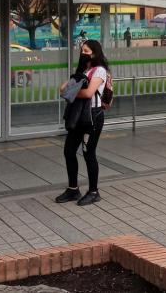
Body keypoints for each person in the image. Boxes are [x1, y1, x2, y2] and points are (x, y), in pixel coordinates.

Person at [56, 39, 109, 206]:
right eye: (81, 50)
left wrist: (71, 92)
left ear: (94, 53)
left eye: (86, 51)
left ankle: (94, 192)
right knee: (69, 151)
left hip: (92, 117)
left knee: (88, 153)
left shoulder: (99, 71)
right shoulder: (84, 70)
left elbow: (88, 93)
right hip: (78, 116)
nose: (82, 53)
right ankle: (73, 189)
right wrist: (76, 76)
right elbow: (62, 89)